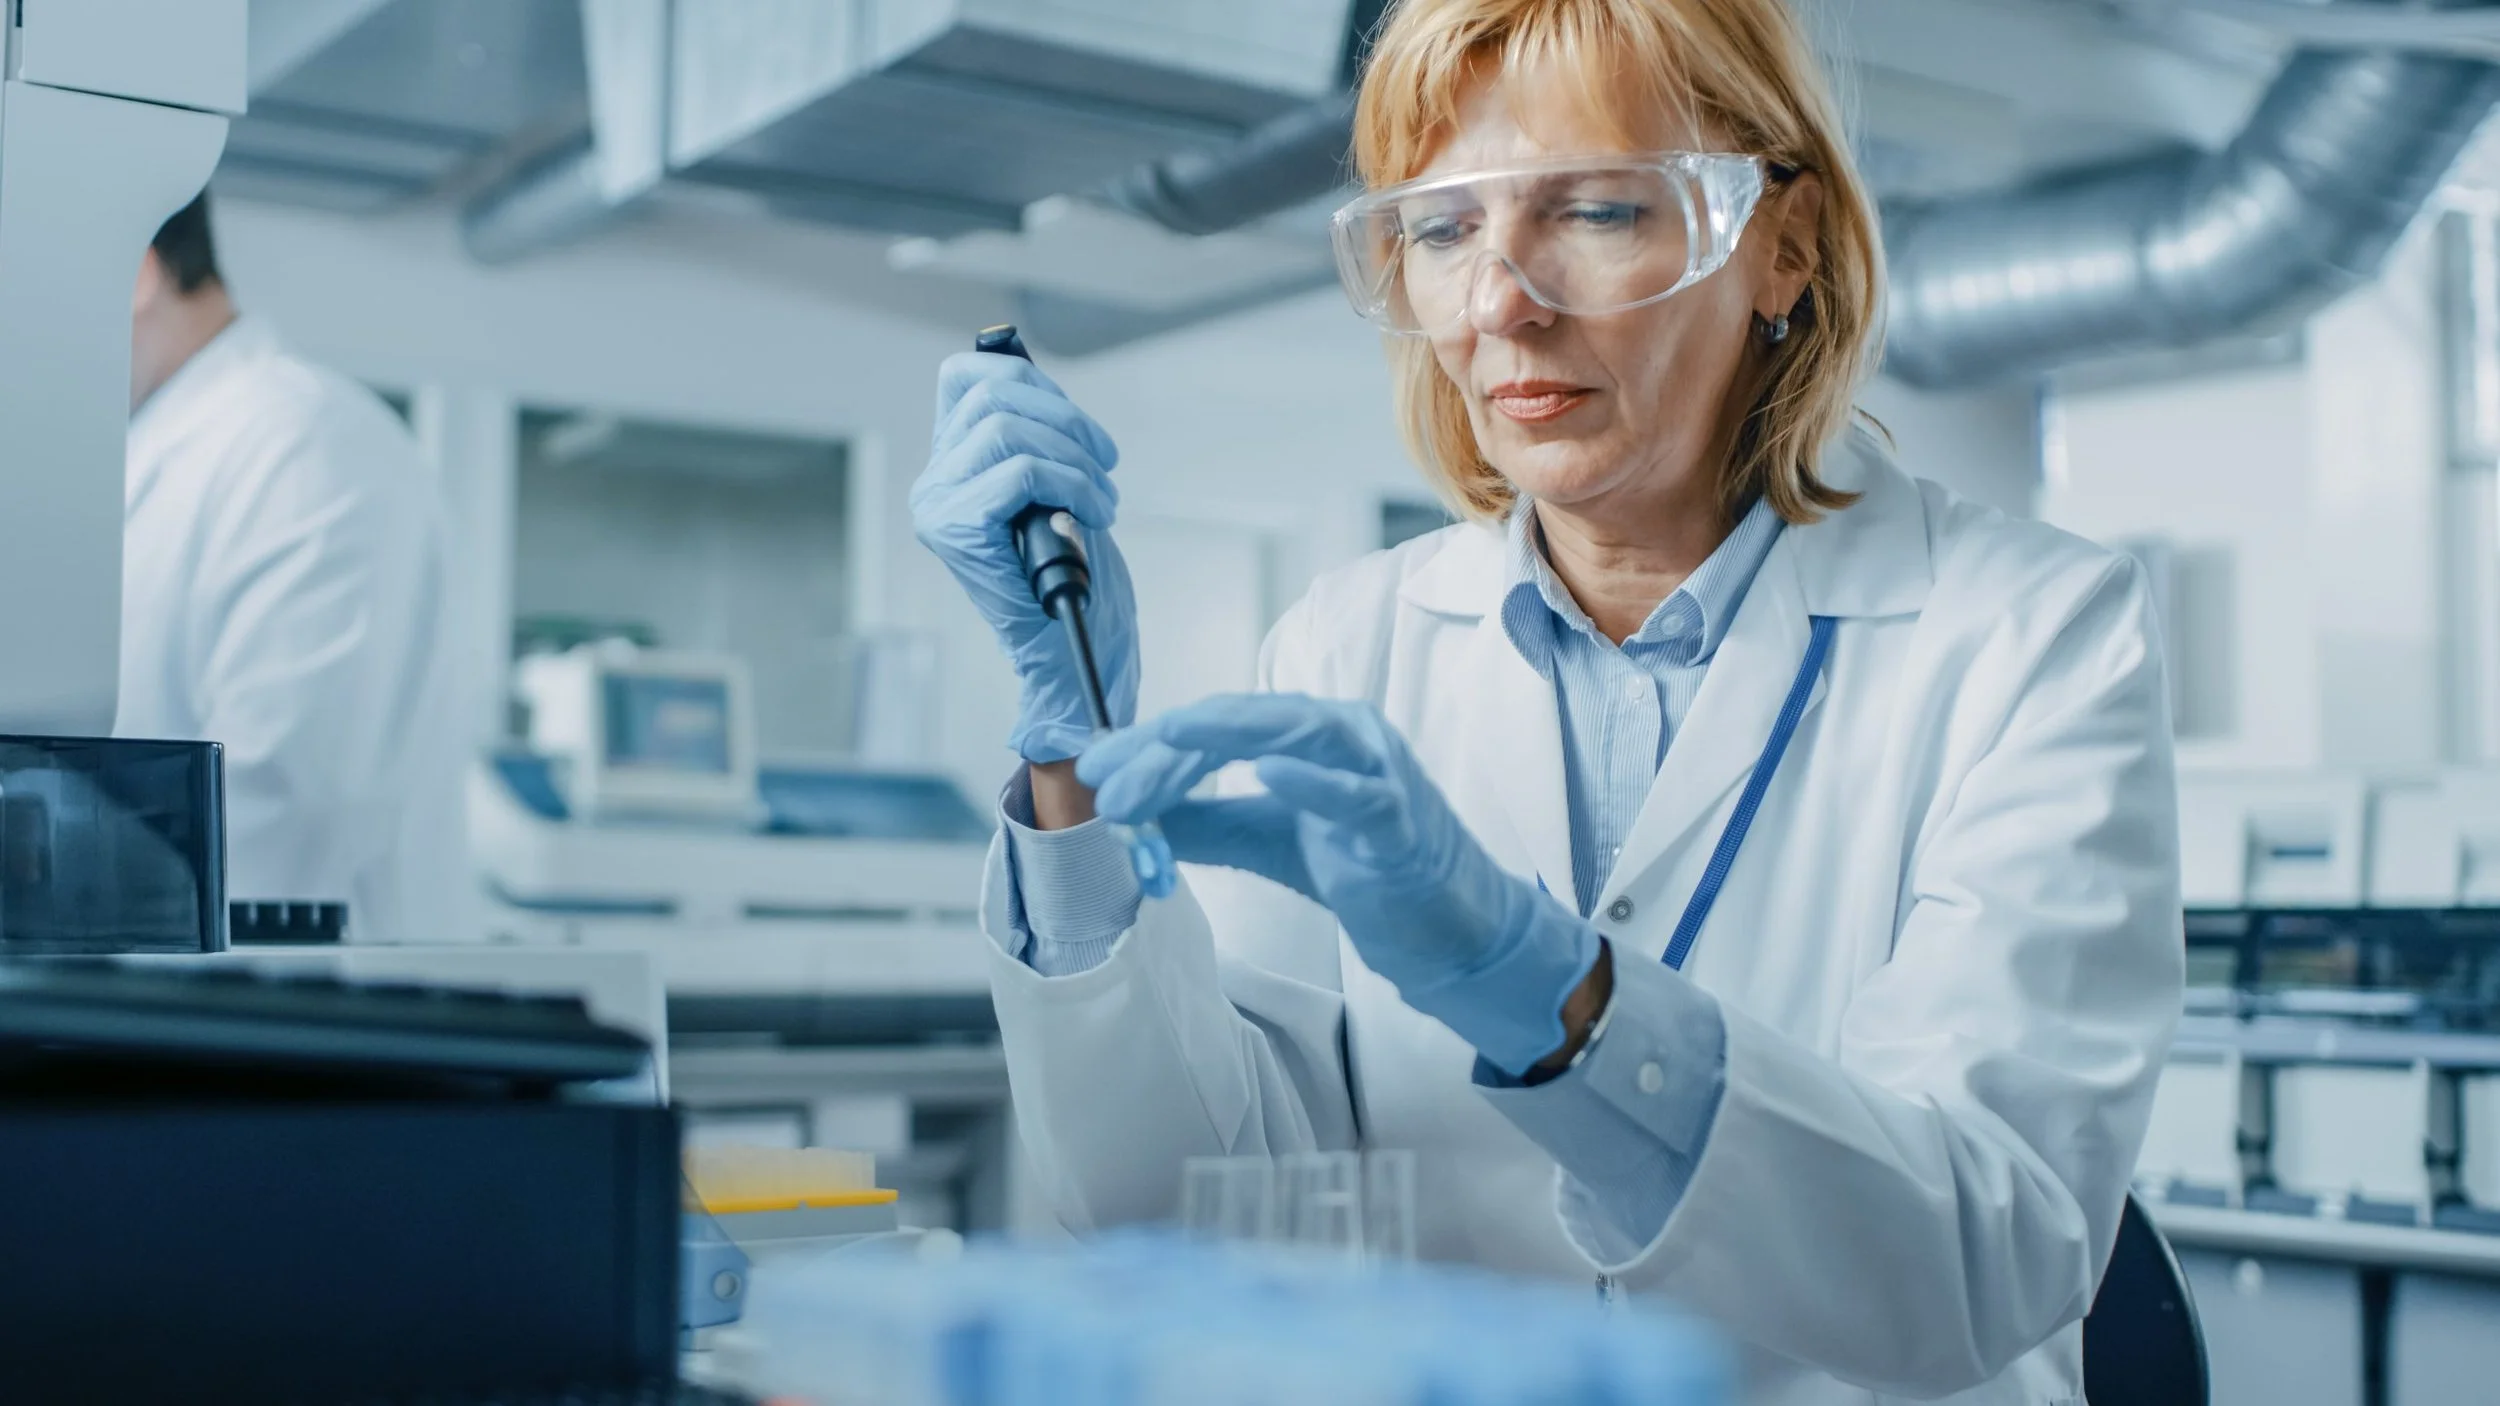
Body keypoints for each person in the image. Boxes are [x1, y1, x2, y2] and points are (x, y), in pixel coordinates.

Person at [913, 0, 2181, 1400]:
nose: (1499, 302)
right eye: (1445, 231)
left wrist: (1552, 995)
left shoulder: (2036, 635)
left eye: (1591, 210)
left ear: (1784, 241)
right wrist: (1077, 767)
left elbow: (1981, 1258)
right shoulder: (1349, 639)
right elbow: (1193, 1207)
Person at [124, 190, 466, 945]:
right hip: (177, 1020)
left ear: (139, 275)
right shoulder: (159, 458)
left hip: (306, 1030)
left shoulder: (307, 447)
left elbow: (283, 815)